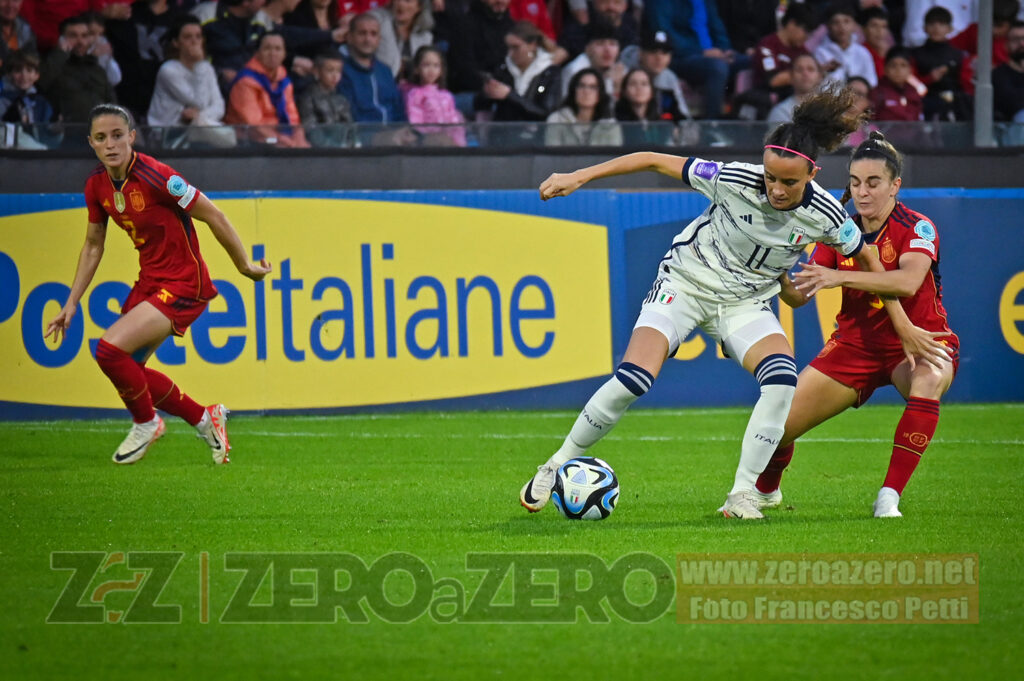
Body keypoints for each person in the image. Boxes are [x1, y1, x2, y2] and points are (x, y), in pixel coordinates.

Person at [521, 84, 949, 520]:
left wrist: (898, 324)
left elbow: (867, 256)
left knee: (781, 380)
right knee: (635, 379)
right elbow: (650, 158)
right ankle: (554, 464)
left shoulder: (827, 215)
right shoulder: (731, 178)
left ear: (812, 175)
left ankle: (742, 495)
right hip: (685, 285)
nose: (776, 190)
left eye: (788, 182)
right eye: (770, 177)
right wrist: (578, 176)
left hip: (745, 303)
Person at [45, 103, 272, 465]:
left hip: (184, 282)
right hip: (150, 281)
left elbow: (213, 214)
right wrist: (71, 303)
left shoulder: (158, 176)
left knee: (108, 351)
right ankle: (204, 418)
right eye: (101, 138)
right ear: (91, 143)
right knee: (131, 368)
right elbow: (92, 245)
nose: (111, 144)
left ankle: (146, 421)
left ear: (132, 137)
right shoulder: (97, 186)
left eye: (118, 135)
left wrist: (244, 265)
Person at [755, 131, 958, 519]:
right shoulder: (837, 231)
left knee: (928, 378)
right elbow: (800, 297)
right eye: (854, 182)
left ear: (895, 185)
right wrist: (778, 273)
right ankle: (766, 491)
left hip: (916, 341)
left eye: (873, 182)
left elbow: (906, 282)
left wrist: (840, 278)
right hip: (855, 347)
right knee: (776, 428)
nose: (862, 192)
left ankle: (889, 496)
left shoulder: (917, 227)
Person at [147, 15, 235, 148]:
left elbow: (219, 106)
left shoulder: (206, 68)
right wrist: (199, 64)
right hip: (168, 134)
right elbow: (199, 102)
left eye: (198, 36)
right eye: (187, 37)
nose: (194, 41)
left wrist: (198, 117)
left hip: (197, 130)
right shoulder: (169, 70)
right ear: (176, 42)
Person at [474, 19, 561, 137]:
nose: (510, 53)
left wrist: (509, 95)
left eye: (516, 47)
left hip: (537, 137)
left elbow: (545, 112)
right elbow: (480, 105)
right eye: (508, 47)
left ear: (533, 45)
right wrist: (486, 92)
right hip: (503, 136)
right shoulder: (503, 69)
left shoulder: (550, 73)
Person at [225, 31, 310, 147]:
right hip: (250, 140)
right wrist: (281, 140)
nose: (273, 53)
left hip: (281, 138)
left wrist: (299, 138)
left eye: (278, 49)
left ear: (284, 54)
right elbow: (254, 124)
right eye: (267, 48)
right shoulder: (245, 82)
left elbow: (293, 118)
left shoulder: (284, 81)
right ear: (257, 53)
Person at [39, 14, 115, 126]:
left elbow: (113, 103)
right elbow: (41, 83)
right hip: (65, 135)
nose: (80, 42)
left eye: (84, 36)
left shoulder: (97, 69)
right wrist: (60, 54)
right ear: (61, 39)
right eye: (73, 36)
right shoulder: (52, 64)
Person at [913, 5, 969, 121]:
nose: (936, 28)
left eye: (942, 24)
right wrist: (929, 78)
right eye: (932, 24)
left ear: (950, 29)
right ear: (924, 28)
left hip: (955, 104)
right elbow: (911, 85)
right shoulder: (915, 54)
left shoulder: (958, 55)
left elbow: (965, 83)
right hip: (926, 103)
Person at [544, 66, 622, 146]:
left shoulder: (610, 126)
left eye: (593, 87)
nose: (586, 91)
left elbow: (614, 157)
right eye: (581, 86)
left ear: (600, 94)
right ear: (574, 91)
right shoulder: (556, 120)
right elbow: (552, 156)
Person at [404, 45, 465, 145]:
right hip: (427, 143)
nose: (431, 70)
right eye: (426, 65)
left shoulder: (447, 96)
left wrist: (456, 141)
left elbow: (454, 122)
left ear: (441, 70)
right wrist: (428, 138)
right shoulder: (415, 94)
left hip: (448, 142)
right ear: (416, 69)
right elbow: (415, 122)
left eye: (436, 65)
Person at [0, 48, 59, 148]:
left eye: (29, 70)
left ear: (37, 75)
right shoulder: (2, 100)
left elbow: (49, 132)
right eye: (18, 71)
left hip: (38, 155)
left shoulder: (42, 102)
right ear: (9, 74)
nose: (24, 76)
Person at [297, 48, 354, 147]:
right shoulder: (308, 98)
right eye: (330, 70)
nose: (335, 76)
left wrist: (349, 146)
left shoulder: (341, 99)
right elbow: (311, 131)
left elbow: (350, 130)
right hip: (322, 154)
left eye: (338, 71)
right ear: (316, 71)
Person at [815, 2, 878, 88]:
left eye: (846, 21)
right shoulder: (819, 53)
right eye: (836, 22)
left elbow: (872, 83)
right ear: (828, 26)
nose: (841, 27)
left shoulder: (863, 53)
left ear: (854, 25)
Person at [369, 0, 434, 79]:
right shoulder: (378, 21)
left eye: (407, 1)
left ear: (419, 7)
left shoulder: (425, 36)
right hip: (379, 81)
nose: (400, 3)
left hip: (412, 86)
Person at [614, 67, 672, 146]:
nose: (639, 88)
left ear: (652, 91)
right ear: (624, 91)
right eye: (633, 84)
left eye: (644, 84)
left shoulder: (661, 125)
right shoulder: (615, 123)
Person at [766, 53, 824, 125]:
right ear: (791, 77)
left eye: (810, 69)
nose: (805, 73)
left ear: (820, 77)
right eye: (799, 70)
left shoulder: (832, 108)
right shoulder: (780, 112)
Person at [871, 46, 924, 121]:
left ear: (910, 70)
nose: (898, 70)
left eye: (903, 65)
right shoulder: (877, 93)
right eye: (893, 65)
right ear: (885, 69)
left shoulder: (914, 92)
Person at [0, 0, 37, 70]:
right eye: (4, 0)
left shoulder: (25, 29)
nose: (10, 5)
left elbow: (34, 67)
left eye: (15, 0)